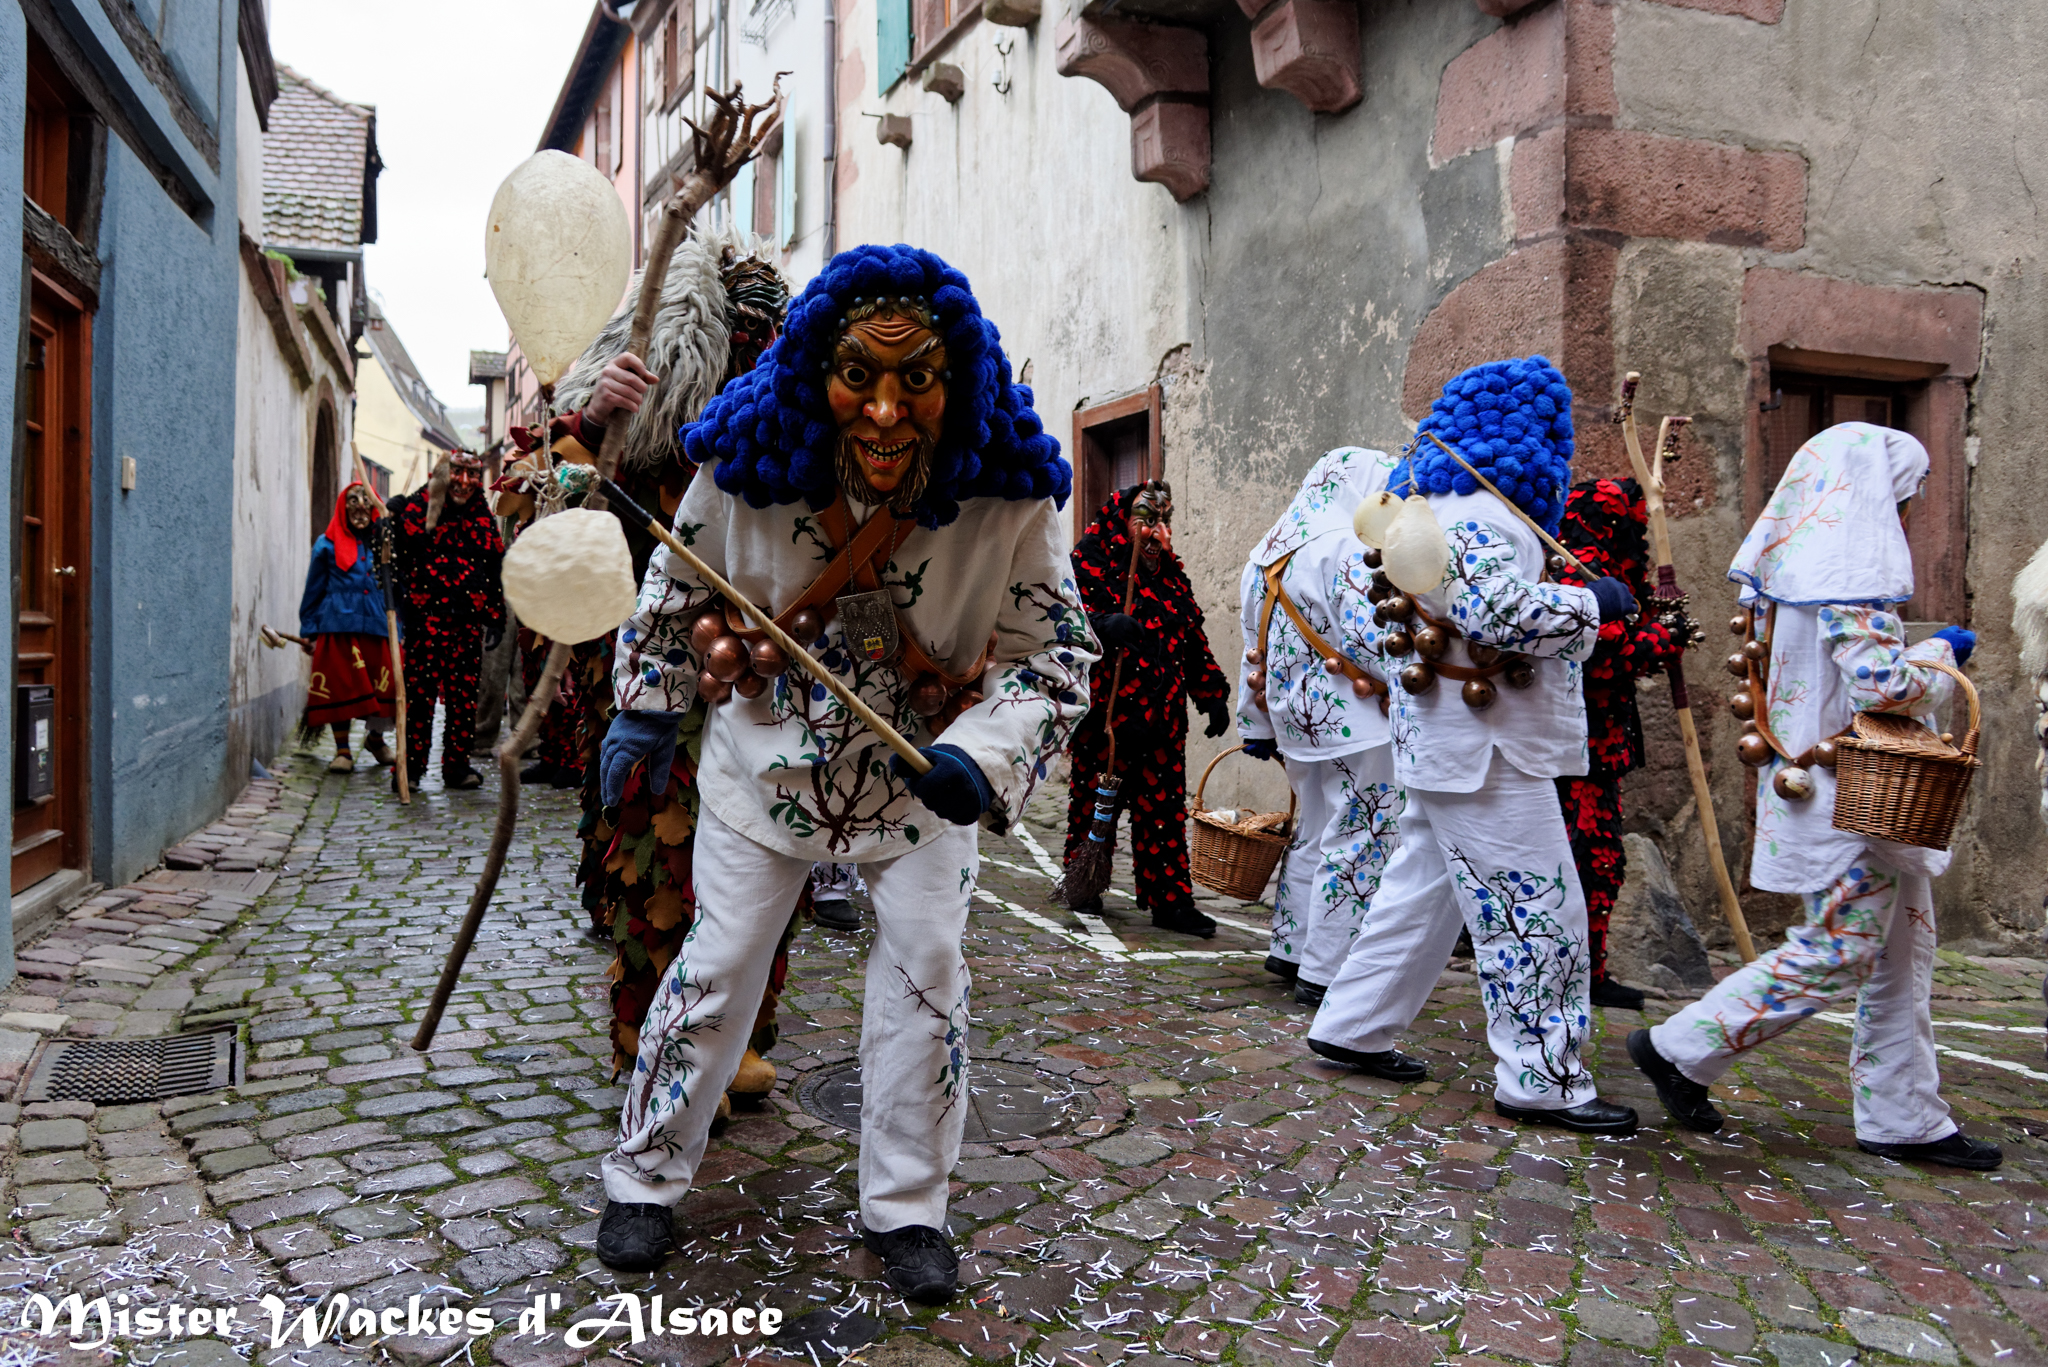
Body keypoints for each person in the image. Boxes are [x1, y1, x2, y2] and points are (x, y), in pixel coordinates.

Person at [591, 244, 1093, 1297]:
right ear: (816, 368)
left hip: (922, 788)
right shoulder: (744, 466)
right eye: (857, 375)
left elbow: (1057, 656)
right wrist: (643, 709)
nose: (880, 412)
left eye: (915, 381)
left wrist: (985, 753)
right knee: (720, 960)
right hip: (761, 771)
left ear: (958, 381)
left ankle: (907, 1206)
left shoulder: (1007, 498)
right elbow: (674, 588)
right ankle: (643, 1176)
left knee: (926, 976)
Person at [1629, 422, 1998, 1169]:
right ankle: (1679, 1047)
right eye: (1903, 493)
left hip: (1831, 788)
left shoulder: (1795, 567)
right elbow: (1883, 685)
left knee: (1902, 951)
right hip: (1851, 798)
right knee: (1842, 946)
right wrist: (1939, 654)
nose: (1905, 509)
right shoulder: (1848, 575)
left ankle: (1906, 1116)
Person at [1307, 357, 1642, 1135]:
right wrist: (1591, 601)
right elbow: (1499, 610)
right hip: (1489, 748)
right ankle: (1543, 1077)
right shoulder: (1485, 516)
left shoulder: (1430, 507)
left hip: (1450, 740)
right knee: (1537, 907)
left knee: (1418, 896)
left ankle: (1351, 1025)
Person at [521, 230, 806, 1117]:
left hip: (763, 664)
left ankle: (744, 1033)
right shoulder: (642, 415)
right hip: (654, 666)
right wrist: (594, 421)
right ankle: (658, 1042)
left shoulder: (785, 424)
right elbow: (550, 499)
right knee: (657, 855)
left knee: (770, 846)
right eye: (743, 328)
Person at [1235, 448, 1405, 1008]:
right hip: (1355, 720)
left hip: (1295, 720)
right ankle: (1327, 969)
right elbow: (1369, 637)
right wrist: (1409, 683)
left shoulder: (1263, 555)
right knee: (1361, 837)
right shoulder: (1345, 548)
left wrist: (1255, 723)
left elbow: (1251, 652)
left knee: (1315, 830)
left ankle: (1291, 946)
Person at [1064, 482, 1231, 937]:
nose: (1157, 531)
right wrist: (1102, 625)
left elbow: (1192, 639)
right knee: (1093, 808)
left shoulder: (1171, 575)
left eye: (1163, 521)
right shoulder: (1089, 561)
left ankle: (1170, 903)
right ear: (1123, 519)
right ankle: (1085, 885)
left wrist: (1211, 693)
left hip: (1162, 720)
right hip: (1107, 718)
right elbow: (1061, 624)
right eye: (1147, 519)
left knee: (1163, 816)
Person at [1551, 478, 1684, 1010]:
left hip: (1603, 742)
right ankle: (1570, 972)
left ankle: (1589, 969)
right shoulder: (1578, 567)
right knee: (1582, 855)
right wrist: (1659, 640)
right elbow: (1599, 647)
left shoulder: (1609, 570)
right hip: (1575, 740)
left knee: (1600, 859)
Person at [386, 451, 505, 790]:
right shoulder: (418, 506)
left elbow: (494, 567)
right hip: (425, 621)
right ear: (442, 473)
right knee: (418, 699)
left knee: (464, 697)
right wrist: (391, 516)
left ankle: (457, 765)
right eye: (457, 472)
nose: (464, 482)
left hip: (466, 623)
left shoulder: (482, 513)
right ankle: (409, 768)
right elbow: (393, 553)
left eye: (471, 474)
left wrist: (495, 616)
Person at [297, 483, 397, 772]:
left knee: (383, 689)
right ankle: (342, 750)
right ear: (343, 508)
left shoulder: (386, 543)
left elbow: (398, 587)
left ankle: (376, 741)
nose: (360, 507)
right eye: (352, 501)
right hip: (338, 627)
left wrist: (399, 629)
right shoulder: (326, 544)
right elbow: (313, 590)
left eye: (366, 500)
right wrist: (309, 630)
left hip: (379, 626)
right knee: (340, 689)